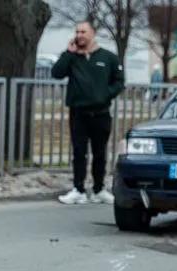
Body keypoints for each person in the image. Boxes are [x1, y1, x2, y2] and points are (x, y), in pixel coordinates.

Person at [51, 21, 125, 205]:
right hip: (79, 113)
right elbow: (56, 73)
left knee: (100, 152)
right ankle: (78, 189)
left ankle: (99, 189)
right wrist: (68, 53)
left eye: (83, 31)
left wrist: (104, 95)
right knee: (79, 152)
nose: (79, 35)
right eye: (77, 31)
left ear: (92, 33)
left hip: (101, 112)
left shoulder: (108, 58)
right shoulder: (72, 58)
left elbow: (119, 81)